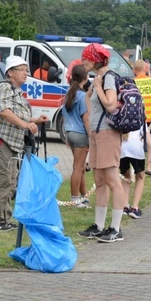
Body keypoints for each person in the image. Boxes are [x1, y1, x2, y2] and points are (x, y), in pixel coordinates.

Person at [0, 56, 49, 231]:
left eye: (27, 70)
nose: (27, 73)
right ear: (10, 72)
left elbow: (17, 114)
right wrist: (26, 124)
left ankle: (3, 218)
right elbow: (4, 111)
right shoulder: (4, 87)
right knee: (2, 180)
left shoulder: (16, 90)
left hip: (10, 144)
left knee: (10, 182)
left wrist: (35, 120)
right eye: (22, 69)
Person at [78, 43, 126, 243]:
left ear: (96, 60)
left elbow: (111, 104)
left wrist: (97, 87)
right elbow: (93, 106)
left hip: (107, 133)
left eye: (86, 59)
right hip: (97, 133)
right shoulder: (98, 79)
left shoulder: (108, 78)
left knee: (113, 180)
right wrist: (91, 93)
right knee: (99, 180)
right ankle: (98, 226)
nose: (83, 62)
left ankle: (115, 228)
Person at [62, 64, 90, 206]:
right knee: (78, 168)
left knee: (81, 167)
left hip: (71, 133)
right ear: (85, 78)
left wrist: (67, 135)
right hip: (81, 135)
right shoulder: (83, 96)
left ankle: (84, 196)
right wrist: (91, 136)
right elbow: (86, 118)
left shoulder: (69, 94)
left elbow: (65, 116)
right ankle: (74, 199)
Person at [120, 126, 151, 219]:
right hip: (136, 148)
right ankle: (135, 208)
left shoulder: (121, 113)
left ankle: (125, 206)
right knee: (140, 177)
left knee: (126, 177)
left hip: (122, 148)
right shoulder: (139, 115)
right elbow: (146, 134)